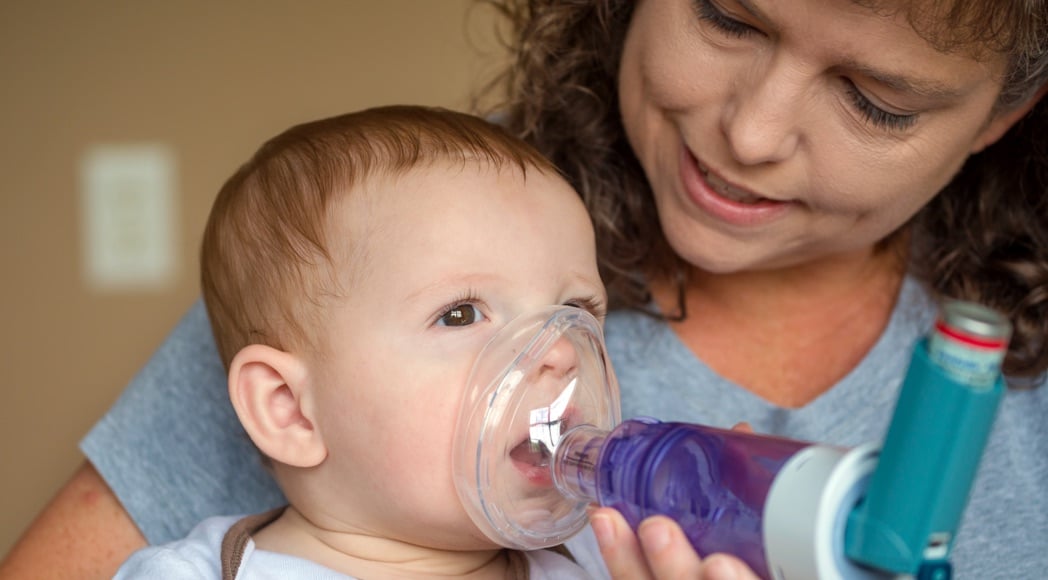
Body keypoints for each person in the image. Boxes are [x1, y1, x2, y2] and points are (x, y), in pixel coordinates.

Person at [2, 0, 1046, 578]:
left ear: (1005, 113)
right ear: (286, 405)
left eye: (874, 99)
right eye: (729, 16)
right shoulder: (360, 248)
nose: (751, 134)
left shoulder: (587, 559)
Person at [113, 104, 606, 578]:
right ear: (288, 408)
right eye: (461, 315)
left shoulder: (606, 562)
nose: (561, 353)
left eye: (575, 311)